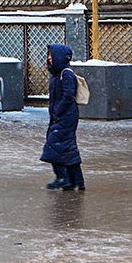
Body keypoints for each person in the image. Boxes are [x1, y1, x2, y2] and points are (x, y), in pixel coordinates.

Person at [40, 43, 84, 191]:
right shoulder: (58, 73)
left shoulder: (66, 73)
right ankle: (76, 181)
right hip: (62, 115)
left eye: (51, 55)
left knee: (53, 146)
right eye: (49, 56)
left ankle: (63, 178)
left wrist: (58, 110)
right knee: (67, 149)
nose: (49, 58)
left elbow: (68, 95)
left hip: (65, 116)